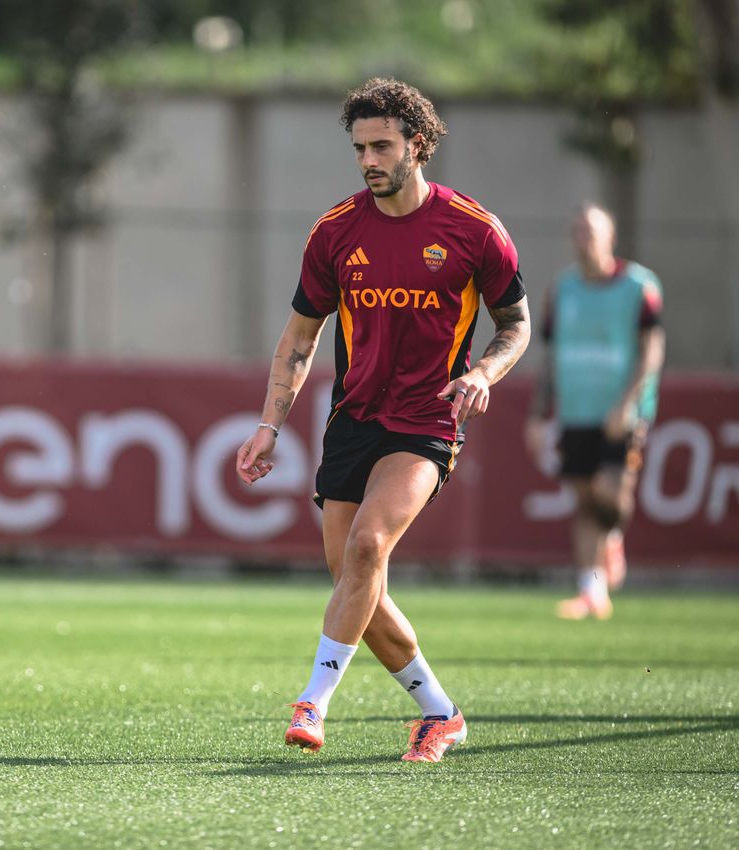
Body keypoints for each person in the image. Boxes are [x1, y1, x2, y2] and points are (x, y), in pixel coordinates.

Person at [236, 78, 531, 763]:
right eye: (358, 147)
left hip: (427, 419)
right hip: (353, 419)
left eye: (381, 146)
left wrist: (482, 373)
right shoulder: (335, 232)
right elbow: (299, 339)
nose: (368, 159)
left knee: (367, 549)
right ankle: (440, 713)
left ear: (417, 145)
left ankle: (313, 701)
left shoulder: (474, 231)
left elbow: (513, 325)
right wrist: (268, 425)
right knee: (354, 581)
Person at [525, 204, 664, 621]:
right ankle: (591, 591)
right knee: (585, 499)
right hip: (576, 411)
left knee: (609, 494)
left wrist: (628, 404)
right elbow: (550, 355)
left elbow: (652, 350)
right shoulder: (563, 288)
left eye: (592, 231)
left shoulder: (639, 285)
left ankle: (613, 537)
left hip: (621, 412)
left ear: (611, 237)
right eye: (578, 231)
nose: (583, 238)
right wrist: (538, 414)